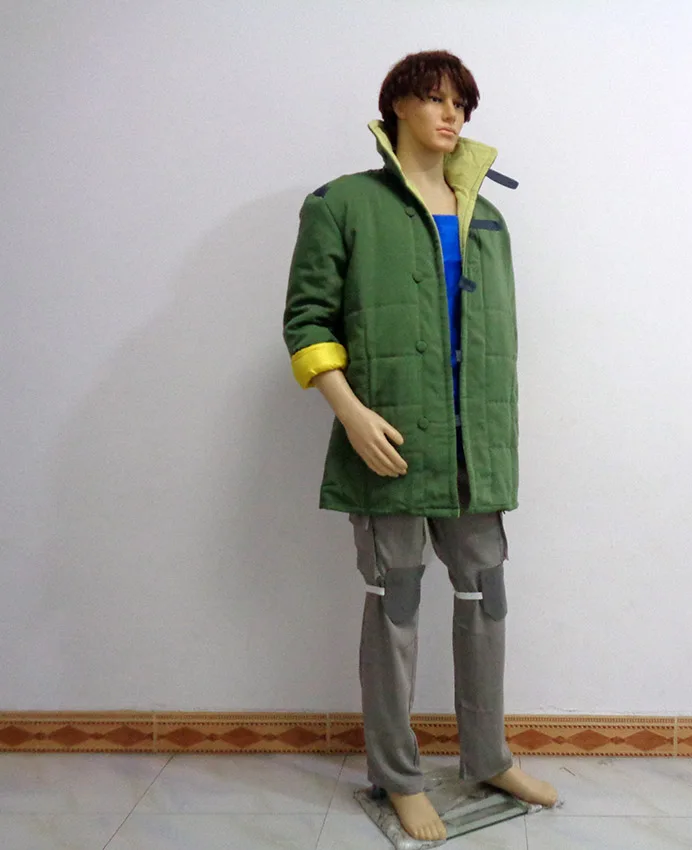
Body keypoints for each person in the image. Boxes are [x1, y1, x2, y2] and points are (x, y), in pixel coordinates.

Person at [283, 50, 557, 843]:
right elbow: (307, 320)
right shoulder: (342, 204)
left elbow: (492, 339)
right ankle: (397, 776)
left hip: (475, 449)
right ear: (398, 104)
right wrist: (351, 414)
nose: (451, 115)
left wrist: (496, 436)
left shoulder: (487, 215)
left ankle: (487, 757)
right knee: (395, 605)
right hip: (391, 440)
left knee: (486, 598)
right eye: (436, 99)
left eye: (461, 104)